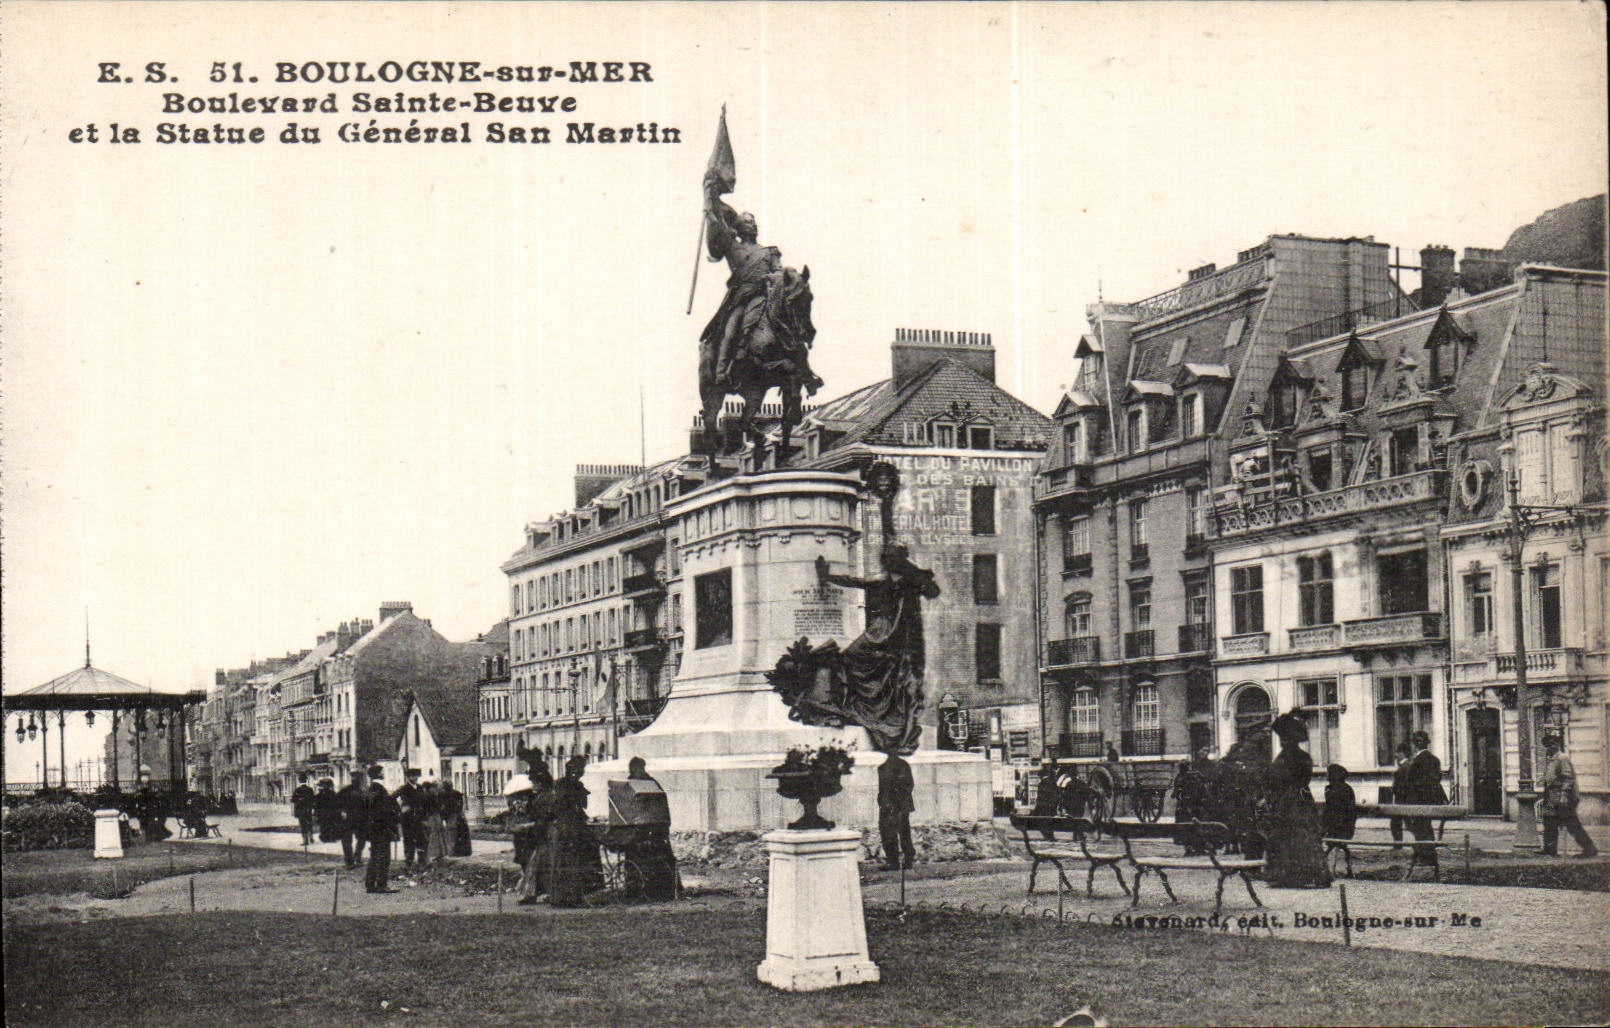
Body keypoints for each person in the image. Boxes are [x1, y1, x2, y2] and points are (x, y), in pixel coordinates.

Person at [1262, 711, 1330, 887]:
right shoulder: (1301, 757)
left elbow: (1275, 779)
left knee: (1291, 835)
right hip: (1300, 798)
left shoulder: (1284, 759)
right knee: (1300, 836)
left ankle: (1290, 875)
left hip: (1288, 800)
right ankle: (1301, 875)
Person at [546, 756, 605, 907]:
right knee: (572, 860)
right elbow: (572, 806)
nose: (582, 772)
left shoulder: (565, 785)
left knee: (571, 860)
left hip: (568, 826)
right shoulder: (567, 786)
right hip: (568, 828)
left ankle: (573, 895)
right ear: (574, 770)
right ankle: (569, 897)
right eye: (581, 769)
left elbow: (580, 807)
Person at [620, 757, 679, 901]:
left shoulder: (647, 784)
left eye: (634, 769)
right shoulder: (649, 783)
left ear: (640, 768)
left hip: (649, 828)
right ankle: (643, 890)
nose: (632, 772)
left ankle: (650, 891)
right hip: (650, 827)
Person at [1540, 729, 1598, 858]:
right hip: (1552, 798)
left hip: (1562, 798)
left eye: (1553, 743)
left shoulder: (1562, 758)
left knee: (1572, 824)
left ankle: (1589, 849)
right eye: (1548, 744)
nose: (1550, 746)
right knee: (1549, 822)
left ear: (1558, 744)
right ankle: (1550, 849)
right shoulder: (1552, 760)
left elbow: (1568, 778)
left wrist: (1563, 796)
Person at [1400, 730, 1449, 873]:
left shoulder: (1415, 762)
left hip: (1417, 801)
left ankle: (1424, 856)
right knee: (1425, 827)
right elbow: (1437, 781)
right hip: (1432, 801)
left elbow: (1410, 782)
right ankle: (1428, 856)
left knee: (1418, 828)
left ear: (1415, 745)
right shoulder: (1435, 760)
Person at [516, 764, 557, 905]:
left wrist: (527, 826)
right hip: (545, 833)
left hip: (547, 834)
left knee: (541, 864)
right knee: (543, 864)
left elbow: (543, 819)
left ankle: (532, 894)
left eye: (535, 783)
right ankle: (541, 893)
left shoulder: (546, 797)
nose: (533, 785)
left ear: (541, 784)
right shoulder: (543, 796)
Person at [364, 765, 401, 894]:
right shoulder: (380, 791)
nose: (384, 773)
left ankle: (370, 884)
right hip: (382, 829)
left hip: (373, 830)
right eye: (382, 771)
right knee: (384, 857)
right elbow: (385, 811)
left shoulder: (370, 790)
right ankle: (381, 884)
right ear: (378, 774)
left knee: (374, 856)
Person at [877, 752, 916, 871]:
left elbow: (907, 786)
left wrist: (895, 803)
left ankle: (902, 860)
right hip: (890, 805)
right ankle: (895, 860)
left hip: (896, 805)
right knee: (892, 833)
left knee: (897, 832)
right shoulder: (884, 767)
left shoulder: (898, 766)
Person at [1171, 748, 1214, 854]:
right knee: (1194, 826)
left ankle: (1190, 847)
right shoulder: (1194, 776)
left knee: (1187, 826)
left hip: (1186, 806)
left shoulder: (1181, 777)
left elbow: (1176, 793)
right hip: (1193, 806)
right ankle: (1196, 847)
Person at [337, 770, 369, 869]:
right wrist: (342, 811)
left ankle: (357, 856)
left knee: (362, 838)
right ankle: (349, 861)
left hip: (361, 819)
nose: (354, 780)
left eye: (357, 778)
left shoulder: (364, 791)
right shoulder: (345, 790)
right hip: (348, 819)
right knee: (346, 840)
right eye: (353, 778)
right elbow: (336, 802)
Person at [396, 768, 426, 870]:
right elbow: (392, 798)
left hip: (419, 818)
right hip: (407, 820)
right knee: (409, 841)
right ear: (408, 777)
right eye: (413, 776)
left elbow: (424, 802)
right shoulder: (403, 788)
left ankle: (421, 861)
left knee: (421, 839)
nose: (416, 778)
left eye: (417, 775)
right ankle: (409, 862)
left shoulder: (420, 788)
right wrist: (400, 809)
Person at [1321, 764, 1357, 842]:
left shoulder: (1341, 789)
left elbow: (1336, 810)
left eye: (1328, 772)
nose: (1326, 775)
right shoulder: (1334, 788)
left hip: (1340, 828)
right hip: (1336, 825)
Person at [1388, 741, 1414, 846]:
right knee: (1402, 823)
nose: (1395, 755)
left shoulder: (1404, 767)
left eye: (1397, 752)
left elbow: (1404, 785)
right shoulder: (1406, 766)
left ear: (1403, 753)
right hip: (1404, 800)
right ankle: (1398, 843)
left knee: (1397, 823)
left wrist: (1394, 789)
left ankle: (1398, 844)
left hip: (1402, 800)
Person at [421, 781, 450, 867]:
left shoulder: (434, 795)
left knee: (438, 835)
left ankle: (438, 856)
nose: (437, 789)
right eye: (436, 787)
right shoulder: (430, 796)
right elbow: (426, 808)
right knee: (435, 836)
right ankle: (436, 856)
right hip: (433, 817)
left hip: (435, 817)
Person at [441, 779, 472, 858]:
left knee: (452, 833)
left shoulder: (444, 795)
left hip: (452, 816)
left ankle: (452, 851)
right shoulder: (457, 794)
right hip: (459, 816)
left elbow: (444, 808)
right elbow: (460, 805)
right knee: (461, 833)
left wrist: (443, 816)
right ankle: (464, 851)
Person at [314, 778, 344, 845]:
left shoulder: (328, 794)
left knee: (328, 825)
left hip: (327, 813)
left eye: (321, 786)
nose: (320, 788)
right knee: (326, 825)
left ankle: (328, 837)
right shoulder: (331, 794)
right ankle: (327, 837)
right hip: (326, 814)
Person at [291, 774, 317, 846]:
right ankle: (311, 836)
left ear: (299, 781)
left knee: (303, 825)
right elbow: (313, 800)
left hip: (300, 811)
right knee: (309, 823)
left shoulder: (297, 790)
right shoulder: (310, 789)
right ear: (306, 780)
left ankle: (305, 840)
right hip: (308, 809)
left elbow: (293, 800)